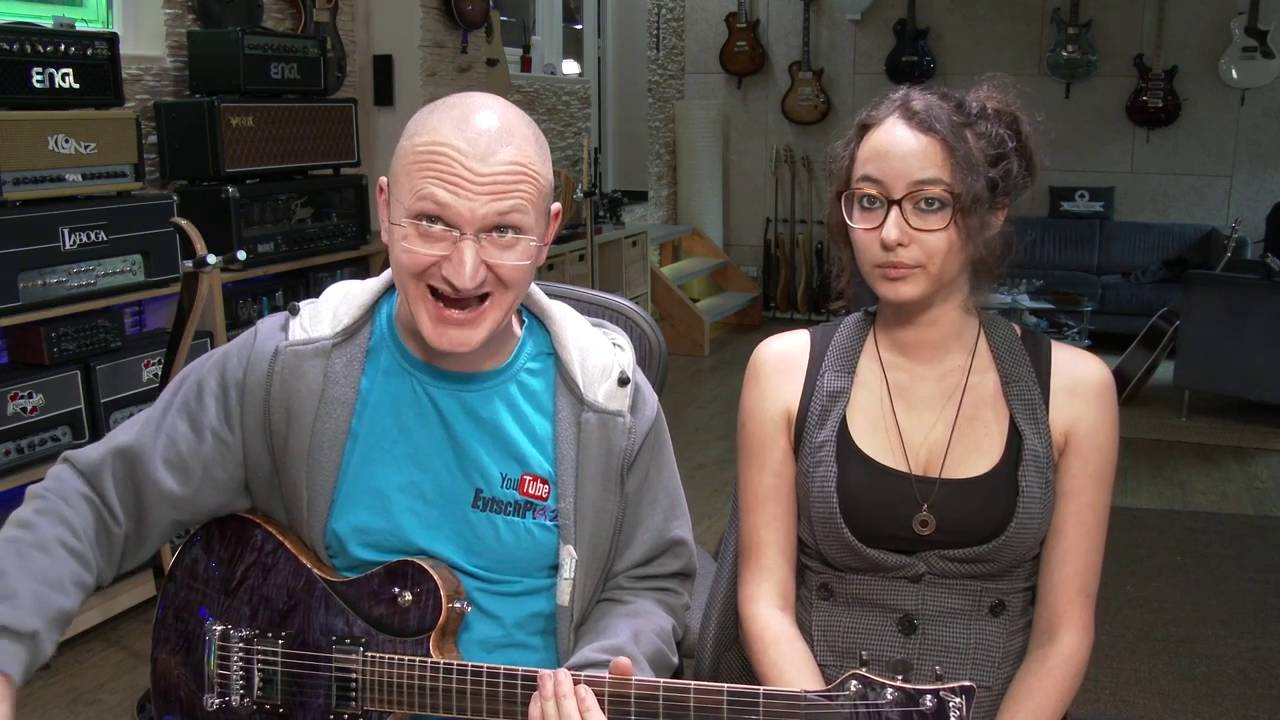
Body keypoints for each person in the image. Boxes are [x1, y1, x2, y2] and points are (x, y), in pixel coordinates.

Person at [0, 92, 695, 720]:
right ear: (385, 210)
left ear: (548, 232)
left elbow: (649, 580)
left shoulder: (608, 401)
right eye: (432, 221)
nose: (463, 271)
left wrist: (597, 681)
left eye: (503, 231)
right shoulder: (285, 372)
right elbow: (97, 499)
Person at [697, 81, 1118, 720]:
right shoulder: (784, 371)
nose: (890, 233)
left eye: (928, 203)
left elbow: (1063, 633)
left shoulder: (1075, 391)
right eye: (869, 201)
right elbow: (765, 603)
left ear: (991, 211)